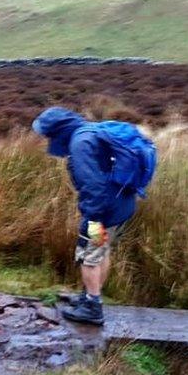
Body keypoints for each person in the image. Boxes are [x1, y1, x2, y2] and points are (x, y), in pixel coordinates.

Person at [32, 107, 155, 325]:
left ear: (58, 131)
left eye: (48, 134)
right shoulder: (89, 131)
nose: (46, 139)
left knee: (89, 255)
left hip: (103, 213)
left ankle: (92, 308)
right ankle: (90, 296)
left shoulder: (80, 145)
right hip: (121, 207)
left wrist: (91, 220)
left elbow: (93, 186)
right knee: (101, 251)